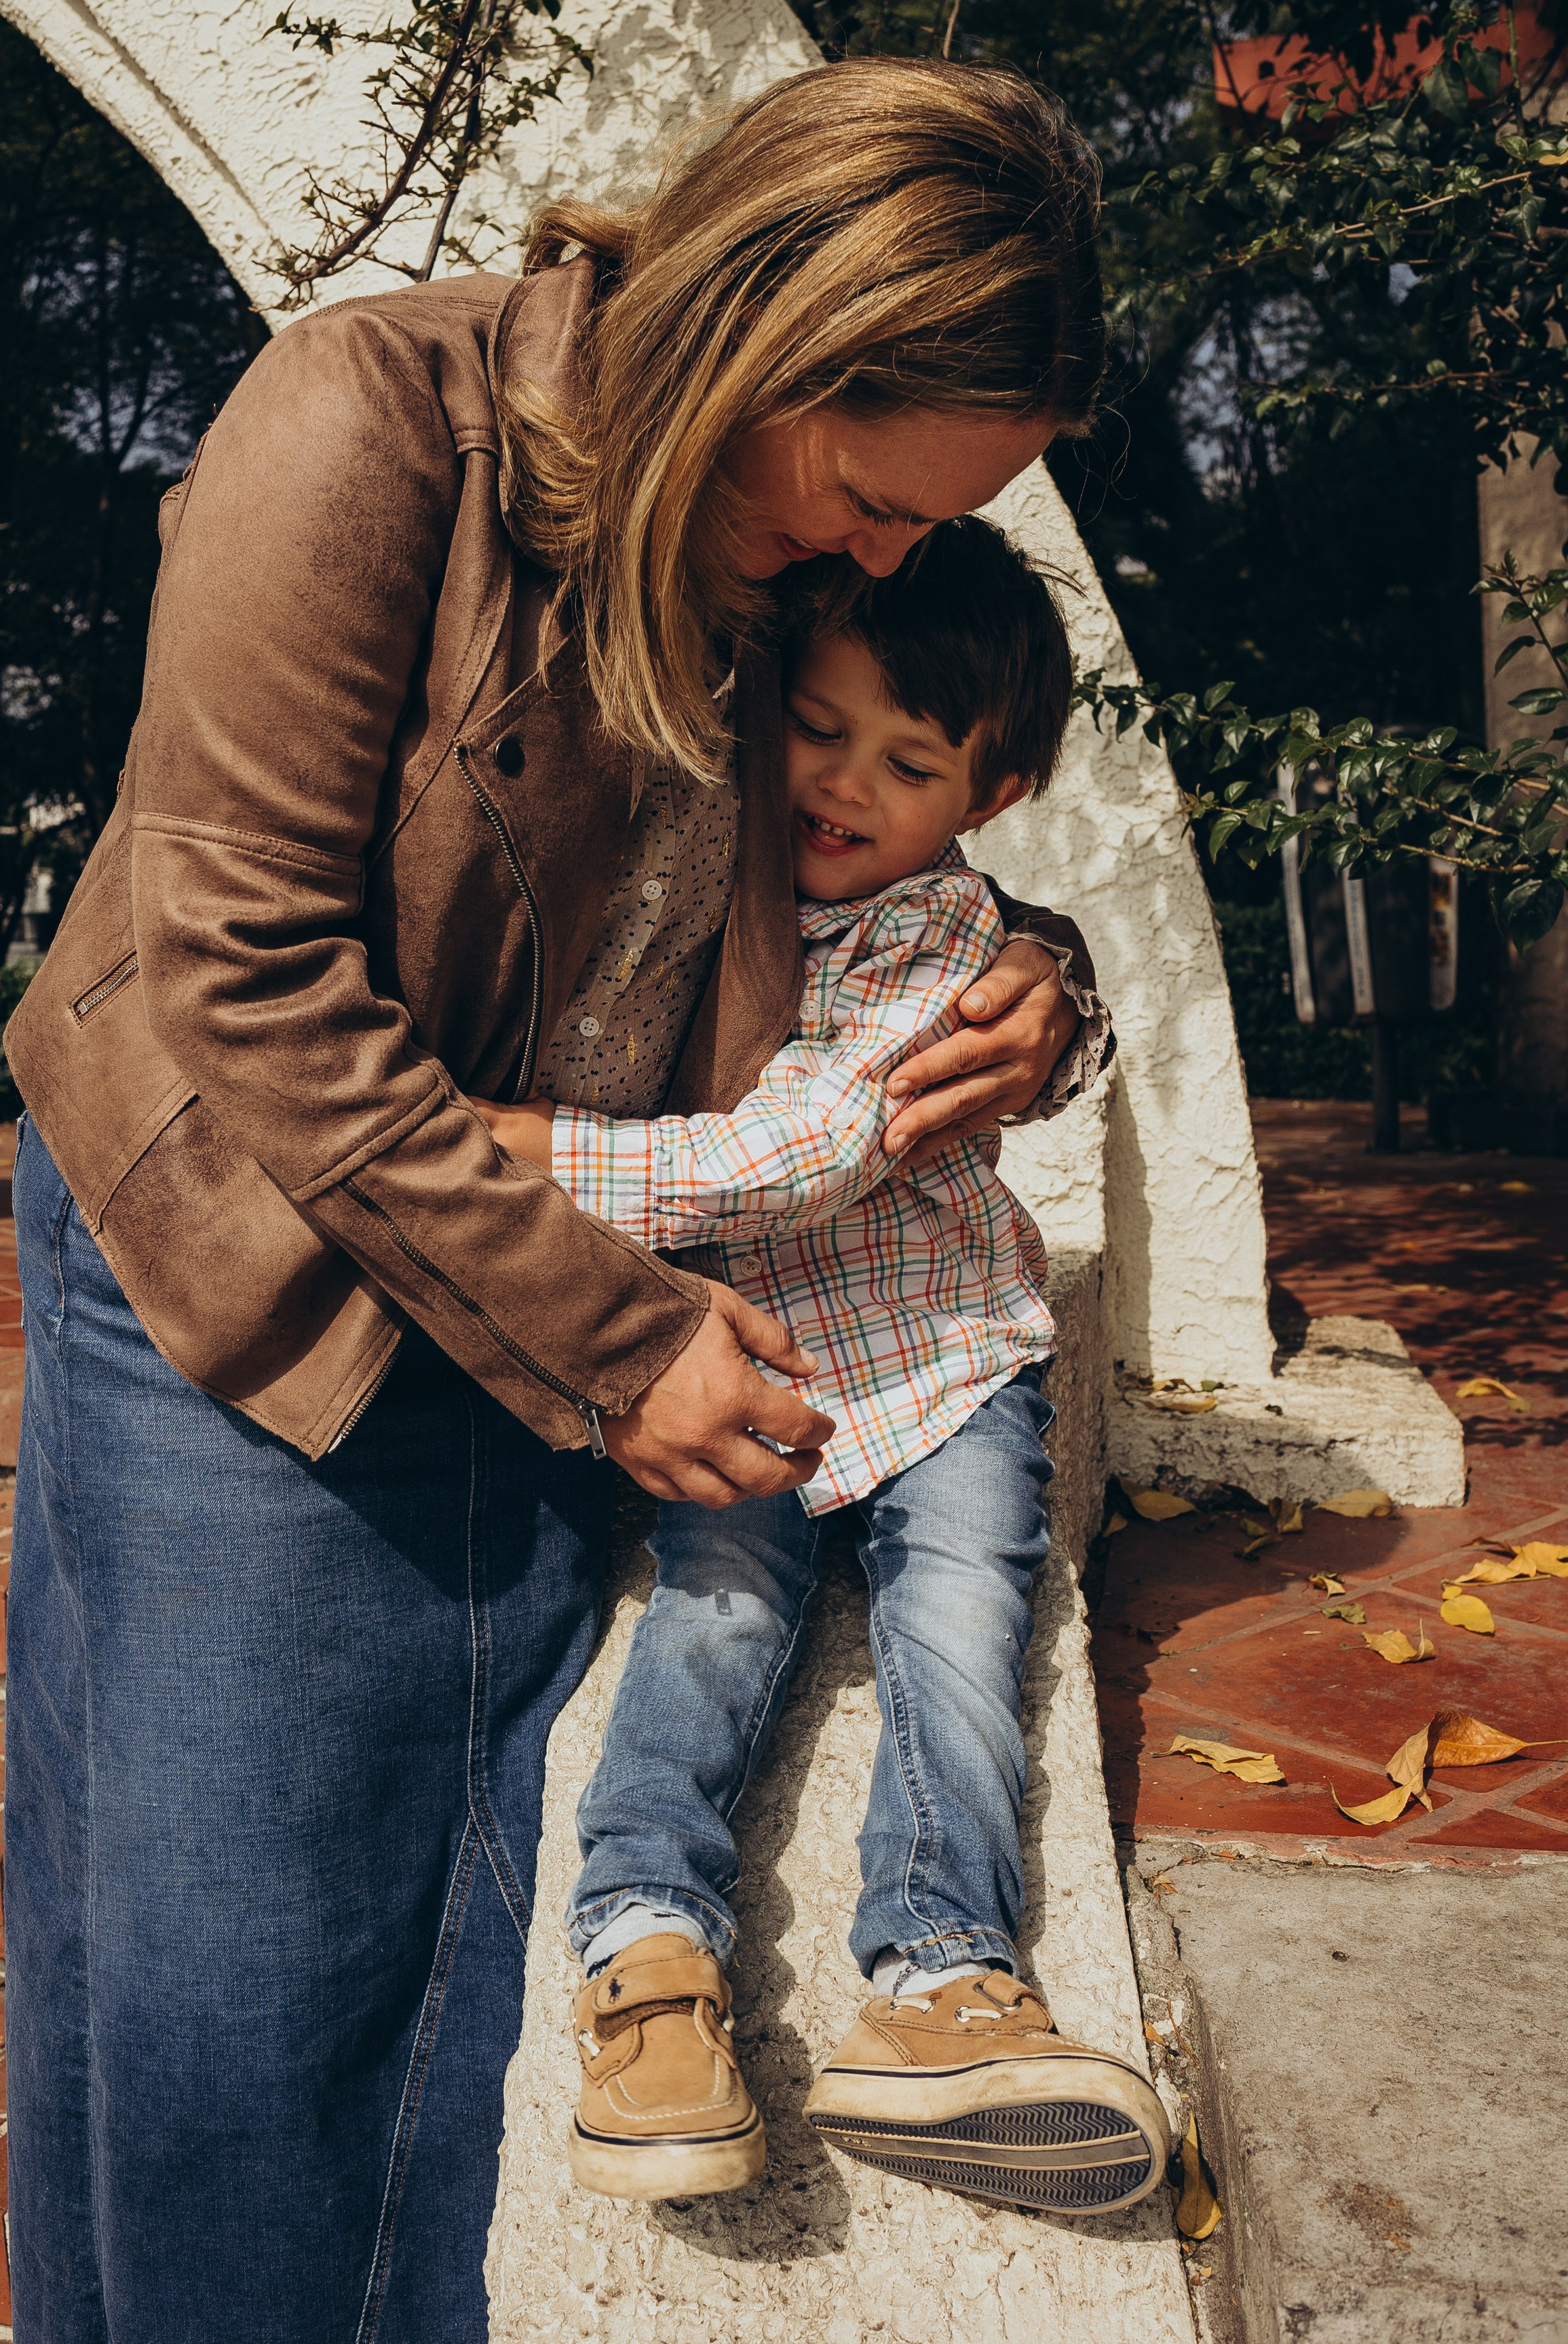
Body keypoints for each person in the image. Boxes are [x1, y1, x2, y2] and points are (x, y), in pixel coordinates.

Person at [3, 58, 1117, 2344]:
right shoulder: (362, 425)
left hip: (528, 1260)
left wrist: (1041, 984)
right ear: (771, 327)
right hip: (251, 1257)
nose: (887, 560)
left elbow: (888, 842)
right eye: (880, 493)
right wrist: (622, 1348)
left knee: (374, 1950)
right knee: (238, 1974)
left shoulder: (760, 539)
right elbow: (243, 977)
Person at [476, 520, 1168, 2218]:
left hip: (939, 1359)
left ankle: (937, 1975)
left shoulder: (949, 941)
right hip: (750, 1363)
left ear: (983, 795)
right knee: (712, 1605)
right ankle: (645, 1957)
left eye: (906, 759)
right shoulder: (707, 875)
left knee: (961, 1613)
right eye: (821, 725)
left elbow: (786, 1159)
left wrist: (504, 1153)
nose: (844, 782)